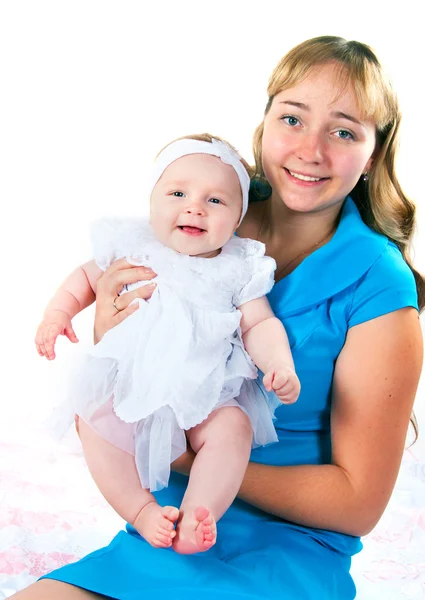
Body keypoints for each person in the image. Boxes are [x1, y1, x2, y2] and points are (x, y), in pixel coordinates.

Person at [13, 35, 423, 600]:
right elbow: (129, 345)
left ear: (372, 155)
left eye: (344, 131)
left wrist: (191, 456)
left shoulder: (379, 287)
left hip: (285, 551)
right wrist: (110, 328)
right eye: (293, 119)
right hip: (164, 527)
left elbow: (356, 505)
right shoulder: (207, 218)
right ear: (264, 126)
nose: (311, 150)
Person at [34, 134, 300, 555]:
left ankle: (200, 513)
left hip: (208, 388)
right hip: (132, 382)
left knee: (233, 429)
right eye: (178, 193)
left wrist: (278, 363)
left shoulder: (238, 266)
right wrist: (57, 314)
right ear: (153, 201)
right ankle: (140, 511)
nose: (194, 207)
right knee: (93, 420)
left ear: (238, 219)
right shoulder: (135, 244)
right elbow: (86, 279)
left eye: (216, 201)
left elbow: (260, 324)